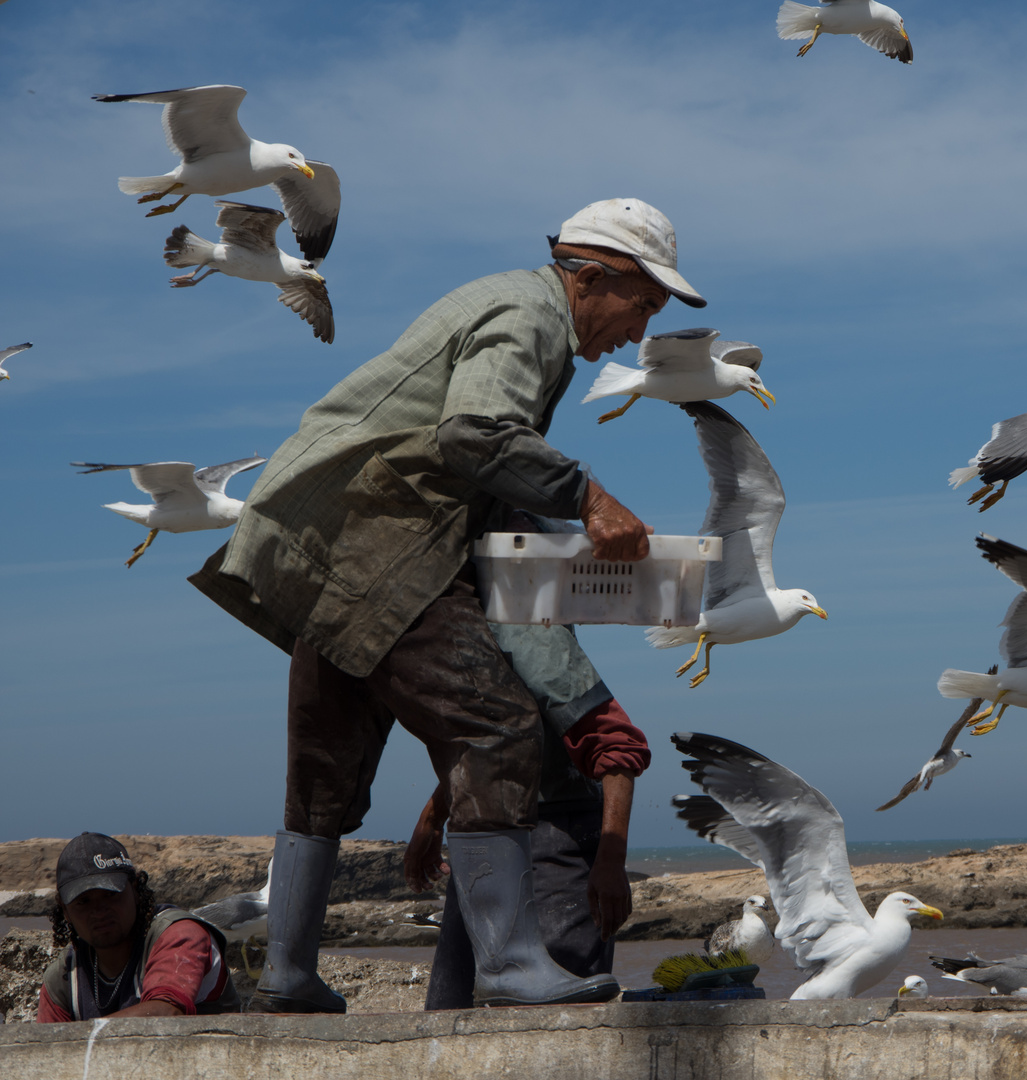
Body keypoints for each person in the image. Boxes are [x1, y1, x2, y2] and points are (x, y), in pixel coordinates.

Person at [189, 198, 705, 1013]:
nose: (639, 333)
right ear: (594, 277)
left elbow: (473, 463)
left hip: (321, 536)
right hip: (384, 544)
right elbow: (476, 433)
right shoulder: (532, 316)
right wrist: (588, 497)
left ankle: (286, 972)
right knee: (496, 728)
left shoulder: (497, 299)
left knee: (326, 760)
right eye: (643, 305)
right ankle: (507, 965)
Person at [405, 514, 652, 1008]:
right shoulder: (468, 631)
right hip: (486, 840)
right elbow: (490, 745)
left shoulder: (527, 628)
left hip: (554, 837)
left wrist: (610, 860)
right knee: (451, 1014)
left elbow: (617, 748)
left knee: (558, 1016)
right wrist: (435, 816)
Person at [37, 833, 240, 1021]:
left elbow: (166, 1012)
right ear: (65, 911)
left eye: (110, 895)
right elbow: (44, 1049)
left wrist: (86, 1036)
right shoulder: (63, 977)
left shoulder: (180, 934)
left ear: (134, 890)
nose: (99, 911)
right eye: (84, 902)